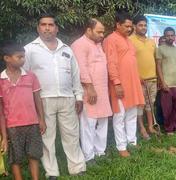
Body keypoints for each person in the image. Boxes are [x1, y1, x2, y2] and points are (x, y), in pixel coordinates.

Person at [24, 14, 86, 178]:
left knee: (72, 134)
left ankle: (77, 168)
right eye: (43, 25)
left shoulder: (66, 49)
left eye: (50, 25)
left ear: (56, 28)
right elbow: (25, 77)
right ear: (38, 28)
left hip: (67, 98)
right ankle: (52, 172)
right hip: (43, 99)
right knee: (47, 137)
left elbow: (75, 75)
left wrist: (78, 96)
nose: (47, 28)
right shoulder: (29, 49)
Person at [0, 43, 46, 180]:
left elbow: (38, 100)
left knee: (34, 154)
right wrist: (3, 134)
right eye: (19, 57)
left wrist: (41, 120)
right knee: (15, 157)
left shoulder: (31, 77)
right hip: (12, 126)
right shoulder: (1, 80)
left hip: (32, 123)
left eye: (23, 57)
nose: (23, 59)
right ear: (7, 58)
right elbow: (1, 112)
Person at [103, 11, 145, 157]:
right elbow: (111, 63)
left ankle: (131, 142)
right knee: (119, 116)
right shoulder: (111, 39)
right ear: (118, 25)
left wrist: (138, 78)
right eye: (126, 26)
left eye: (130, 27)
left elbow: (130, 62)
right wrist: (116, 83)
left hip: (133, 84)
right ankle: (121, 147)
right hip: (120, 85)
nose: (129, 29)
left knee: (132, 114)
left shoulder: (128, 40)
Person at [71, 18, 112, 163]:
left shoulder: (98, 44)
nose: (102, 35)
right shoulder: (79, 44)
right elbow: (81, 68)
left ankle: (100, 151)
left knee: (103, 120)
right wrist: (89, 88)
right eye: (99, 32)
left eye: (103, 32)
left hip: (102, 90)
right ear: (88, 30)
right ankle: (89, 156)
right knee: (88, 123)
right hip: (90, 90)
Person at [129, 15, 158, 140]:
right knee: (140, 105)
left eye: (145, 25)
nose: (143, 27)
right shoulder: (129, 40)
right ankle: (141, 128)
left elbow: (155, 60)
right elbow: (129, 62)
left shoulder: (151, 41)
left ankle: (151, 126)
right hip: (138, 80)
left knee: (150, 104)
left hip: (153, 79)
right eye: (140, 25)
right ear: (134, 26)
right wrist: (136, 76)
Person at [156, 27, 176, 135]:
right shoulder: (160, 49)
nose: (170, 37)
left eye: (172, 35)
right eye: (167, 35)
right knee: (167, 108)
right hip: (166, 84)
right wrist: (162, 82)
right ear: (164, 36)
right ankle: (169, 128)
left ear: (174, 36)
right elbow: (158, 66)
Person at [155, 36, 167, 126]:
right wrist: (159, 80)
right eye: (161, 42)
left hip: (169, 81)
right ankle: (159, 121)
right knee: (159, 102)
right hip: (158, 80)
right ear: (158, 43)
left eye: (164, 41)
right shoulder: (157, 52)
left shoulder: (169, 52)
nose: (163, 43)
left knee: (167, 102)